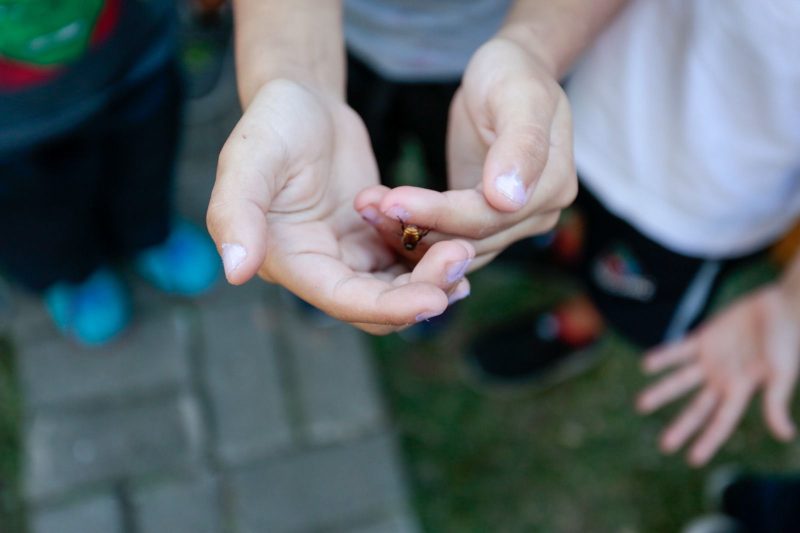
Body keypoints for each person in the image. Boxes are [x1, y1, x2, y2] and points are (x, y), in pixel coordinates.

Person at [206, 0, 624, 335]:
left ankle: (433, 277)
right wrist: (292, 76)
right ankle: (389, 271)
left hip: (496, 58)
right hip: (335, 45)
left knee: (462, 196)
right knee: (346, 184)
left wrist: (534, 51)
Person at [0, 0, 221, 345]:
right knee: (32, 212)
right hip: (10, 126)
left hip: (126, 56)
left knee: (145, 158)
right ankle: (74, 273)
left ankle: (148, 233)